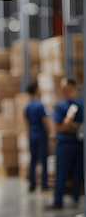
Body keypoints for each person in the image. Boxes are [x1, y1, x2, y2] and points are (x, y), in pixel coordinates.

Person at [47, 77, 84, 210]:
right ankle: (75, 199)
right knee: (77, 173)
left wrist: (68, 125)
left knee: (63, 173)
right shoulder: (80, 105)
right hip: (78, 143)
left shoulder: (62, 106)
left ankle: (59, 202)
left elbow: (59, 127)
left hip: (67, 144)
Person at [24, 81, 51, 193]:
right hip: (40, 134)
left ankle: (32, 184)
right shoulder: (39, 105)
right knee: (43, 160)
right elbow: (45, 120)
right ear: (36, 90)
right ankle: (44, 184)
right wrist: (50, 133)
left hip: (32, 134)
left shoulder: (27, 106)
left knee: (33, 159)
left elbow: (25, 121)